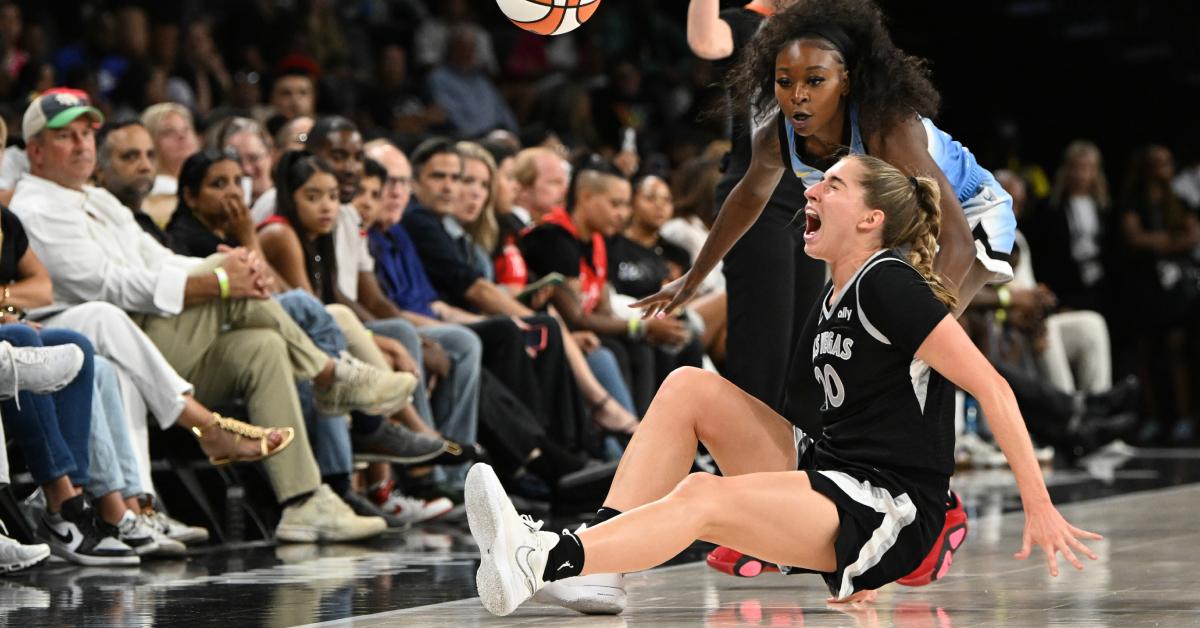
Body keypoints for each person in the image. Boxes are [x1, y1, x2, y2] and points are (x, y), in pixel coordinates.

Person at [465, 155, 1100, 617]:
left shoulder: (891, 285)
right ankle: (601, 566)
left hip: (889, 505)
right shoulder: (835, 291)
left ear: (872, 218)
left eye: (834, 183)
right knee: (690, 387)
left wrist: (1039, 507)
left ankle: (545, 559)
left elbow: (993, 389)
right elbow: (814, 422)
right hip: (834, 472)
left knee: (702, 495)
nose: (813, 187)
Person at [664, 0, 1019, 583]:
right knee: (814, 373)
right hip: (889, 229)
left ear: (847, 81)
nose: (798, 94)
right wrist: (696, 274)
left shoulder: (887, 125)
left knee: (905, 366)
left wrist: (917, 327)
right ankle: (780, 516)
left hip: (969, 225)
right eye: (785, 81)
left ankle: (938, 508)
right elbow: (748, 198)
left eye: (814, 81)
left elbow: (952, 237)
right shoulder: (779, 132)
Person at [11, 91, 393, 543]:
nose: (81, 145)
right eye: (64, 137)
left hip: (148, 342)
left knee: (263, 347)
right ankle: (325, 376)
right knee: (204, 295)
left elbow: (158, 258)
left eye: (86, 134)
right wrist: (216, 281)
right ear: (34, 150)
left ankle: (304, 502)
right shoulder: (35, 208)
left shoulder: (98, 200)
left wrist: (220, 267)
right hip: (117, 333)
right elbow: (104, 284)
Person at [686, 0, 823, 427]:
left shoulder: (821, 33)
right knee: (764, 350)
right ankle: (740, 470)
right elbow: (704, 41)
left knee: (805, 351)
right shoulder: (746, 25)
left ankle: (790, 469)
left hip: (810, 199)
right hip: (755, 198)